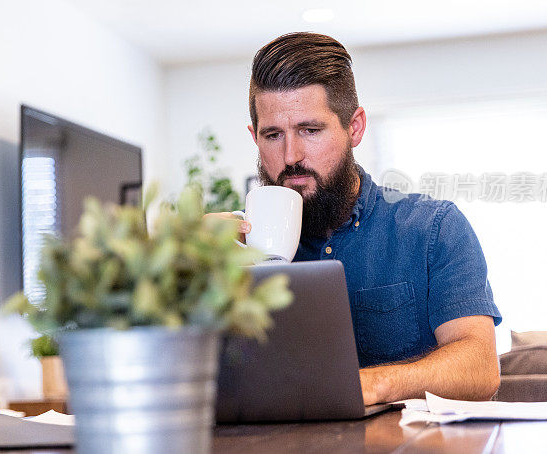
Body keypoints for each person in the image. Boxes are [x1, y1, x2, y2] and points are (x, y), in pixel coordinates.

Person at [207, 32, 502, 405]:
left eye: (310, 130)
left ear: (355, 127)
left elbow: (480, 369)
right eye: (272, 135)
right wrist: (183, 272)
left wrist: (372, 385)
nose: (291, 155)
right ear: (255, 137)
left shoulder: (432, 229)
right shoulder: (229, 248)